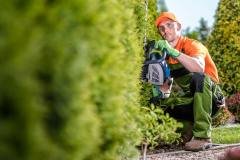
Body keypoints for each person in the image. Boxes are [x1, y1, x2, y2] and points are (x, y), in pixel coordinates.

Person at [153, 12, 225, 151]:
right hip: (188, 101)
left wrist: (173, 52)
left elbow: (199, 68)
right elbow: (166, 91)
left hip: (210, 99)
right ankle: (186, 129)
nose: (165, 30)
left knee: (199, 77)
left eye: (169, 25)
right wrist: (158, 88)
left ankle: (203, 137)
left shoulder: (192, 44)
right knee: (157, 101)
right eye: (162, 28)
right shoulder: (163, 55)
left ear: (178, 26)